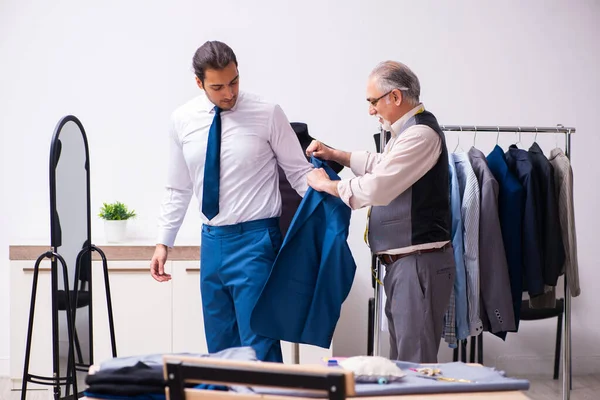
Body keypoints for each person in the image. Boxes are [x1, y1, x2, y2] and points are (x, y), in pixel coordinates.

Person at [150, 40, 313, 363]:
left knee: (259, 345)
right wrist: (162, 243)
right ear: (199, 83)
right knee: (221, 348)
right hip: (212, 243)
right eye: (218, 86)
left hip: (257, 240)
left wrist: (336, 201)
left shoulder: (267, 113)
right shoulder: (182, 120)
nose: (229, 93)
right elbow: (178, 188)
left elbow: (299, 174)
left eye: (234, 81)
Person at [306, 61, 455, 363]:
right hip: (406, 266)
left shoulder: (421, 135)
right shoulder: (407, 132)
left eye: (373, 102)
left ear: (395, 97)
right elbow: (382, 165)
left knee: (415, 364)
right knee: (404, 361)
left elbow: (377, 187)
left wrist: (327, 185)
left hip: (417, 266)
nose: (371, 110)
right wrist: (339, 156)